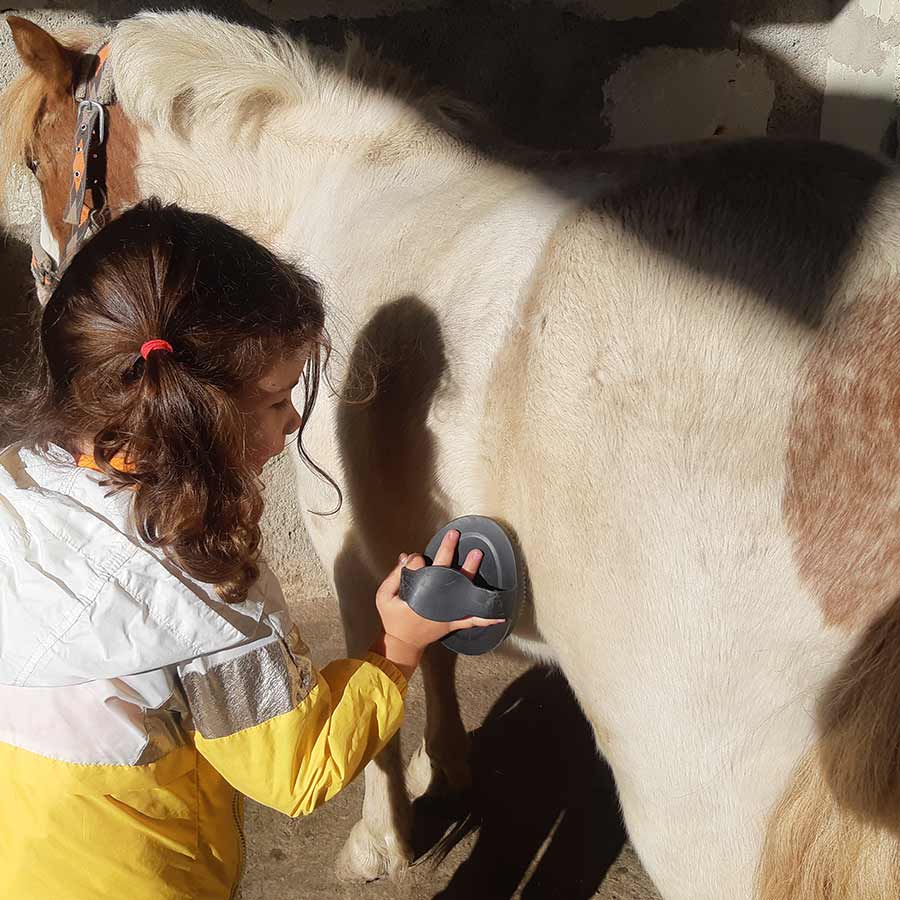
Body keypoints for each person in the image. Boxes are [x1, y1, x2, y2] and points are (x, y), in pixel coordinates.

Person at [0, 199, 500, 900]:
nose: (294, 419)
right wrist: (397, 649)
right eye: (276, 400)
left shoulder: (19, 484)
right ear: (189, 417)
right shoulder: (200, 582)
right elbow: (296, 772)